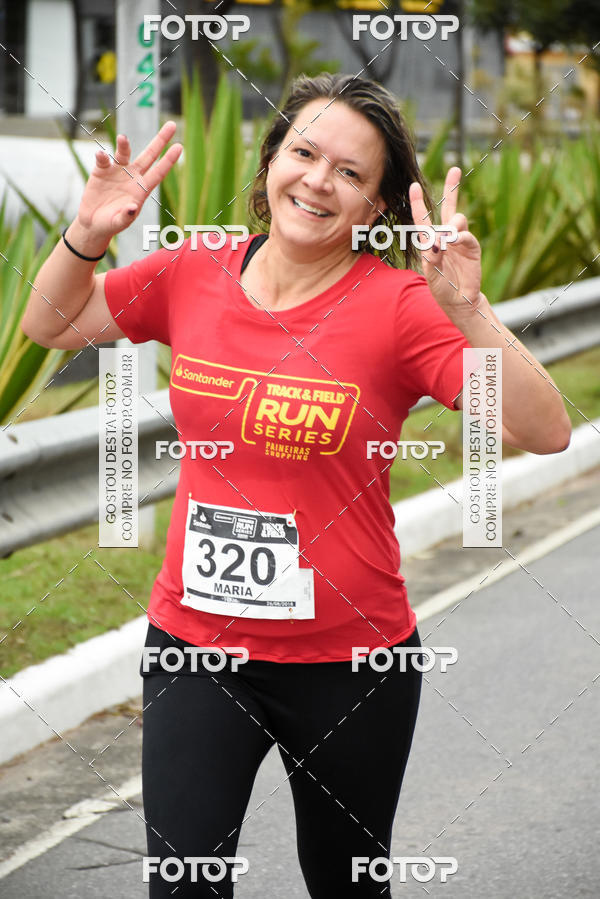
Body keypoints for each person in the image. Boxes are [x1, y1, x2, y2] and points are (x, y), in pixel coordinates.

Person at [21, 72, 571, 898]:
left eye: (350, 173)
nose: (317, 180)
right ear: (271, 160)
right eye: (304, 152)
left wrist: (470, 312)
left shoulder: (401, 307)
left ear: (377, 207)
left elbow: (543, 429)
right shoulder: (192, 271)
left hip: (350, 661)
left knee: (346, 884)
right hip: (197, 648)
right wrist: (88, 236)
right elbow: (52, 323)